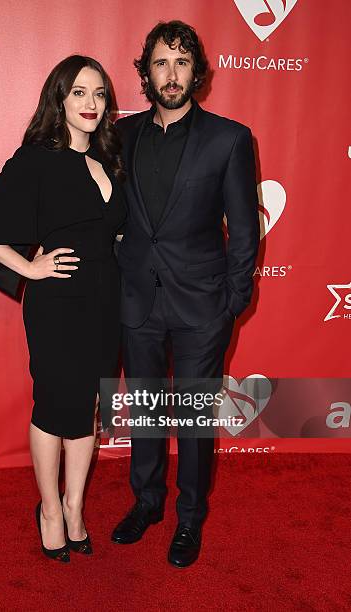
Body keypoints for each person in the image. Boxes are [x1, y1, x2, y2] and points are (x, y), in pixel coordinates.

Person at [0, 56, 126, 563]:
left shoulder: (112, 159)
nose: (91, 104)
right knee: (54, 407)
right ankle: (49, 510)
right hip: (58, 305)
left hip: (106, 301)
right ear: (59, 99)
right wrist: (29, 269)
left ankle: (74, 508)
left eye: (98, 94)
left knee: (90, 407)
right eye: (78, 93)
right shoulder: (36, 159)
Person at [111, 21, 260, 567]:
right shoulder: (121, 137)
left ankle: (189, 517)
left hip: (203, 305)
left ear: (196, 71)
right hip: (137, 302)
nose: (170, 75)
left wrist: (232, 302)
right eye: (159, 63)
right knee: (147, 412)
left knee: (195, 421)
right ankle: (146, 503)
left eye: (180, 63)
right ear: (145, 73)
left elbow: (245, 230)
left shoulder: (229, 138)